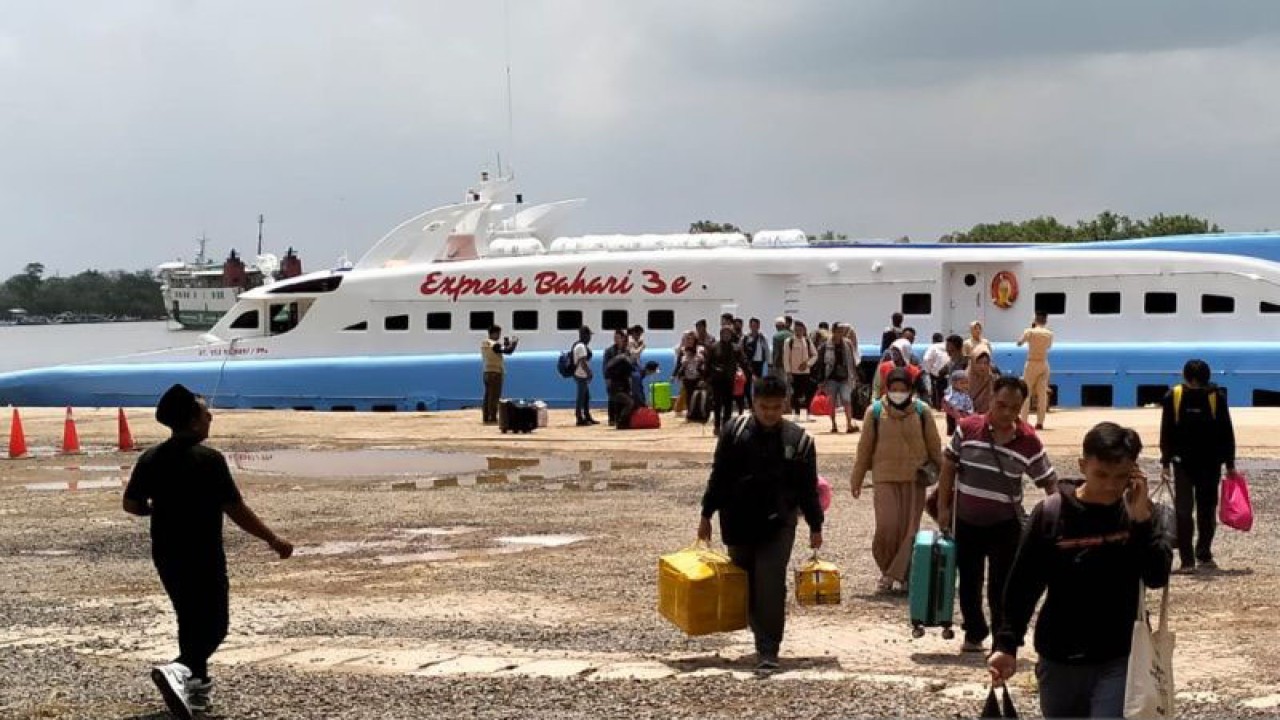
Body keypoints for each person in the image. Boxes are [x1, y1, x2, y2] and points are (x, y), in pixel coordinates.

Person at [124, 384, 293, 719]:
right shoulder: (209, 460)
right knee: (216, 626)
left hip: (166, 553)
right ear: (192, 421)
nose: (210, 416)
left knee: (189, 620)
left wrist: (157, 510)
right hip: (203, 553)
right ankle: (180, 669)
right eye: (204, 412)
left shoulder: (150, 458)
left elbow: (131, 504)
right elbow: (236, 509)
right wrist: (273, 539)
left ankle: (195, 692)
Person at [989, 423, 1173, 719]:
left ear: (1134, 474)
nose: (1111, 485)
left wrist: (1141, 521)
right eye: (1102, 475)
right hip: (1059, 656)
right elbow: (1023, 585)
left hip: (1121, 655)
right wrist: (1006, 644)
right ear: (1083, 465)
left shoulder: (1139, 515)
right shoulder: (1051, 514)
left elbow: (1156, 576)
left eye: (1121, 476)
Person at [697, 375, 823, 671]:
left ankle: (768, 649)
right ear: (754, 403)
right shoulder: (734, 432)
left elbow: (807, 489)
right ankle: (759, 634)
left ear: (785, 405)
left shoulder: (799, 441)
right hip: (738, 520)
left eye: (776, 407)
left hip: (779, 524)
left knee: (770, 584)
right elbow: (719, 476)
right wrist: (706, 515)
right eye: (764, 407)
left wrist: (815, 525)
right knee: (746, 583)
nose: (770, 413)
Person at [937, 376, 1058, 653]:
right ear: (991, 399)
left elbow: (1049, 482)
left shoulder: (1029, 441)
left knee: (1002, 586)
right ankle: (974, 632)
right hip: (966, 522)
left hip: (1005, 526)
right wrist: (944, 509)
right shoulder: (967, 429)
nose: (1006, 413)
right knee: (969, 581)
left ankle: (1002, 640)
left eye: (1014, 408)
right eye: (1001, 405)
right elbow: (948, 468)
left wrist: (1057, 517)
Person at [849, 368, 943, 593]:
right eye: (894, 389)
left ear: (910, 390)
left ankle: (899, 575)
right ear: (887, 389)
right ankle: (889, 569)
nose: (898, 393)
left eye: (903, 389)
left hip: (915, 479)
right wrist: (857, 479)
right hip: (884, 477)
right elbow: (864, 449)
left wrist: (943, 476)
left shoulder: (922, 411)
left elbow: (934, 446)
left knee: (910, 531)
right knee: (887, 528)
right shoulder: (875, 412)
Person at [1159, 359, 1236, 573]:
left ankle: (1201, 555)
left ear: (1187, 376)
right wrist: (1165, 463)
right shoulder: (1174, 396)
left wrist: (1230, 463)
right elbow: (1167, 430)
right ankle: (1190, 559)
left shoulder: (1215, 397)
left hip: (1205, 464)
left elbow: (1225, 430)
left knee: (1203, 511)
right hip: (1188, 464)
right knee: (1187, 511)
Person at [818, 323, 860, 433]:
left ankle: (849, 424)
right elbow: (821, 364)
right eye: (839, 331)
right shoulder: (825, 346)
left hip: (845, 377)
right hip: (830, 378)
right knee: (831, 402)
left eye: (842, 331)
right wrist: (820, 380)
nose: (841, 333)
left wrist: (855, 375)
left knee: (847, 400)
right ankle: (833, 424)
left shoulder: (847, 344)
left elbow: (853, 360)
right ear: (833, 331)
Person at [1017, 312, 1054, 430]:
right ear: (1045, 321)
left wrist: (1030, 329)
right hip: (1043, 362)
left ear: (1035, 320)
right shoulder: (1049, 333)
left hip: (1032, 363)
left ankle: (1024, 421)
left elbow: (1019, 343)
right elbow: (1048, 346)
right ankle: (1040, 422)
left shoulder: (1030, 332)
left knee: (1026, 392)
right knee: (1042, 394)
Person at [707, 326, 746, 434]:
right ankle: (717, 425)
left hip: (729, 379)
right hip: (717, 380)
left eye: (728, 333)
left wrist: (748, 372)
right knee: (717, 404)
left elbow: (743, 361)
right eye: (724, 333)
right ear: (720, 334)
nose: (726, 335)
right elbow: (708, 363)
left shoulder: (736, 348)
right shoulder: (714, 347)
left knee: (728, 404)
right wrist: (709, 375)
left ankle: (726, 426)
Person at [480, 326, 518, 424]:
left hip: (487, 372)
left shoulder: (485, 343)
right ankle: (492, 417)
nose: (499, 336)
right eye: (498, 334)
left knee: (487, 396)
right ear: (494, 333)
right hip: (495, 373)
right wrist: (514, 343)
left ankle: (486, 416)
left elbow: (502, 350)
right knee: (494, 396)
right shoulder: (494, 344)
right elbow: (508, 351)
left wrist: (506, 345)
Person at [783, 320, 817, 421]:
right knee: (796, 394)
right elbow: (786, 358)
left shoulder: (807, 341)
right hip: (794, 372)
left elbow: (815, 355)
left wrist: (808, 364)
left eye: (800, 330)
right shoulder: (789, 341)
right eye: (796, 329)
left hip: (805, 372)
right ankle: (796, 414)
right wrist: (788, 372)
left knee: (808, 393)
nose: (798, 332)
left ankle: (808, 413)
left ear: (804, 330)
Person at [674, 332, 707, 418]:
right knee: (688, 396)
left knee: (698, 395)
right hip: (687, 376)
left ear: (695, 340)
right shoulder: (682, 350)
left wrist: (704, 376)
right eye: (687, 339)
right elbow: (678, 364)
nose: (689, 341)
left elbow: (706, 362)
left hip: (698, 376)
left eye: (691, 339)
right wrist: (675, 375)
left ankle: (700, 413)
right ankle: (690, 413)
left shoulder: (701, 349)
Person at [602, 329, 631, 425]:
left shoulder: (626, 351)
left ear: (623, 338)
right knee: (612, 399)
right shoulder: (609, 351)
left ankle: (620, 418)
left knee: (623, 399)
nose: (616, 339)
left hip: (624, 378)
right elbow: (605, 366)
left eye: (618, 337)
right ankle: (611, 418)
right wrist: (607, 379)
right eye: (615, 337)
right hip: (613, 378)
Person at [571, 326, 598, 426]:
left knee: (586, 396)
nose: (590, 338)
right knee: (581, 396)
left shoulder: (578, 345)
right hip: (580, 375)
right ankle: (579, 418)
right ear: (584, 335)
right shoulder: (581, 347)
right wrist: (589, 373)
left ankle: (587, 416)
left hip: (580, 374)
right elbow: (583, 362)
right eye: (589, 335)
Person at [741, 317, 770, 406]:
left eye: (756, 325)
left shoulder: (762, 337)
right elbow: (741, 350)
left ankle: (759, 402)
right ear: (750, 326)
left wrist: (768, 363)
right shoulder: (745, 337)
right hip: (750, 363)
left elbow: (767, 350)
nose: (754, 327)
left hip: (760, 363)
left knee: (760, 383)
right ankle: (750, 403)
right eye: (752, 325)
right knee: (748, 383)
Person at [922, 332, 949, 410]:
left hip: (937, 373)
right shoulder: (947, 345)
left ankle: (938, 407)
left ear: (933, 340)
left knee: (936, 390)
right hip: (948, 371)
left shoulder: (932, 347)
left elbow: (926, 359)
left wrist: (927, 370)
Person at [943, 369, 975, 433]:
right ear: (954, 383)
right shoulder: (951, 394)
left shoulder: (965, 393)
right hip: (956, 418)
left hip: (965, 416)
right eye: (962, 383)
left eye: (966, 383)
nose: (965, 385)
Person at [967, 349, 995, 414]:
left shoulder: (992, 379)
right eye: (979, 363)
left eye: (986, 363)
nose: (982, 366)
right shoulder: (964, 380)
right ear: (973, 363)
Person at [771, 317, 792, 386]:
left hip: (780, 363)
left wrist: (774, 364)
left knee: (783, 382)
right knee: (790, 382)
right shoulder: (792, 334)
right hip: (791, 362)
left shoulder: (776, 336)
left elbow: (776, 352)